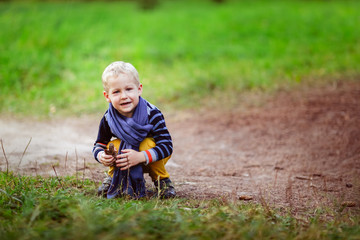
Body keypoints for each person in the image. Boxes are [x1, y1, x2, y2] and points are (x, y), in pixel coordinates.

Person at [92, 61, 176, 199]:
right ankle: (113, 178)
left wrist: (141, 156)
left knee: (147, 143)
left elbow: (167, 146)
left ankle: (163, 181)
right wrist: (101, 155)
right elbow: (99, 144)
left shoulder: (152, 113)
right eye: (116, 92)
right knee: (114, 145)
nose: (124, 96)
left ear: (139, 89)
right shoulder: (108, 118)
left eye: (129, 89)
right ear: (107, 96)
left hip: (152, 158)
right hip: (126, 159)